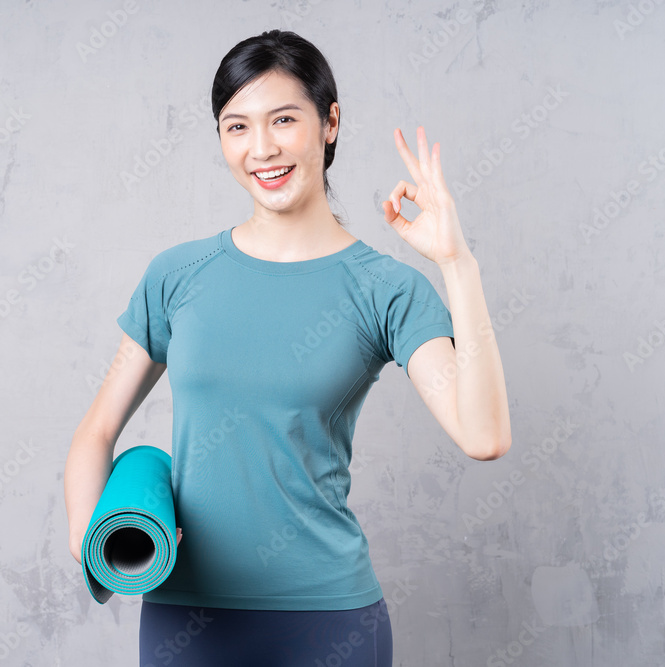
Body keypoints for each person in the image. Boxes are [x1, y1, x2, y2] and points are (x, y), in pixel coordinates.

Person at [65, 28, 511, 667]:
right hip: (186, 621)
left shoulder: (385, 289)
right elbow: (95, 433)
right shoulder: (176, 276)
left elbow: (484, 435)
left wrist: (457, 263)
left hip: (328, 624)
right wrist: (99, 549)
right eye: (236, 127)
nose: (262, 148)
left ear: (329, 123)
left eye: (283, 119)